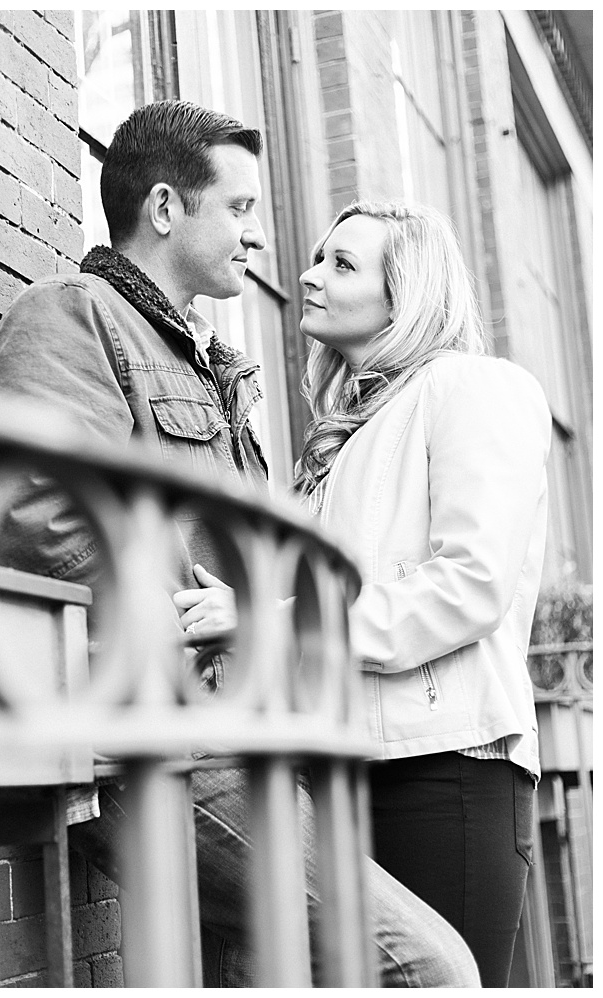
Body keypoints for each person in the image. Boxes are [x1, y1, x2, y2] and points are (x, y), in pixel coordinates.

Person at [0, 101, 479, 985]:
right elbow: (43, 520)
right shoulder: (74, 313)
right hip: (153, 735)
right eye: (240, 208)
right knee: (428, 967)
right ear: (167, 207)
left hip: (243, 742)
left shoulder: (209, 365)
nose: (259, 238)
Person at [294, 200, 550, 986]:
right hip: (343, 767)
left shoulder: (475, 388)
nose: (309, 276)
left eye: (342, 265)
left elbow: (472, 584)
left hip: (447, 772)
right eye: (318, 257)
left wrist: (279, 626)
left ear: (405, 298)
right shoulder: (346, 433)